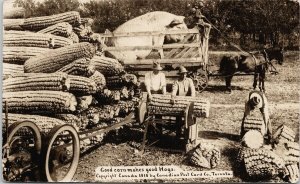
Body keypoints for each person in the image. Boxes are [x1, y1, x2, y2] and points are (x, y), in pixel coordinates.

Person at [171, 66, 196, 139]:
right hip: (179, 103)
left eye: (185, 74)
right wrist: (173, 97)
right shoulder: (177, 82)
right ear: (180, 74)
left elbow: (193, 90)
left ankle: (188, 136)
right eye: (182, 74)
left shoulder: (189, 80)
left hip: (188, 102)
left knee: (189, 118)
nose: (184, 75)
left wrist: (192, 98)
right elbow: (174, 90)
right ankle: (178, 135)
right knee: (178, 119)